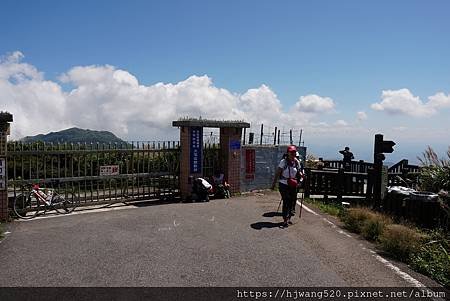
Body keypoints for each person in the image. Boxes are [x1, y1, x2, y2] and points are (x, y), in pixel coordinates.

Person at [271, 145, 302, 228]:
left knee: (292, 201)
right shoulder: (283, 162)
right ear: (288, 153)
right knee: (286, 200)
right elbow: (278, 173)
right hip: (283, 184)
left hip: (293, 184)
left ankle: (288, 218)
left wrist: (301, 177)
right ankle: (285, 219)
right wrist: (274, 184)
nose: (293, 154)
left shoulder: (296, 162)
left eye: (294, 152)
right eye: (291, 152)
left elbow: (298, 172)